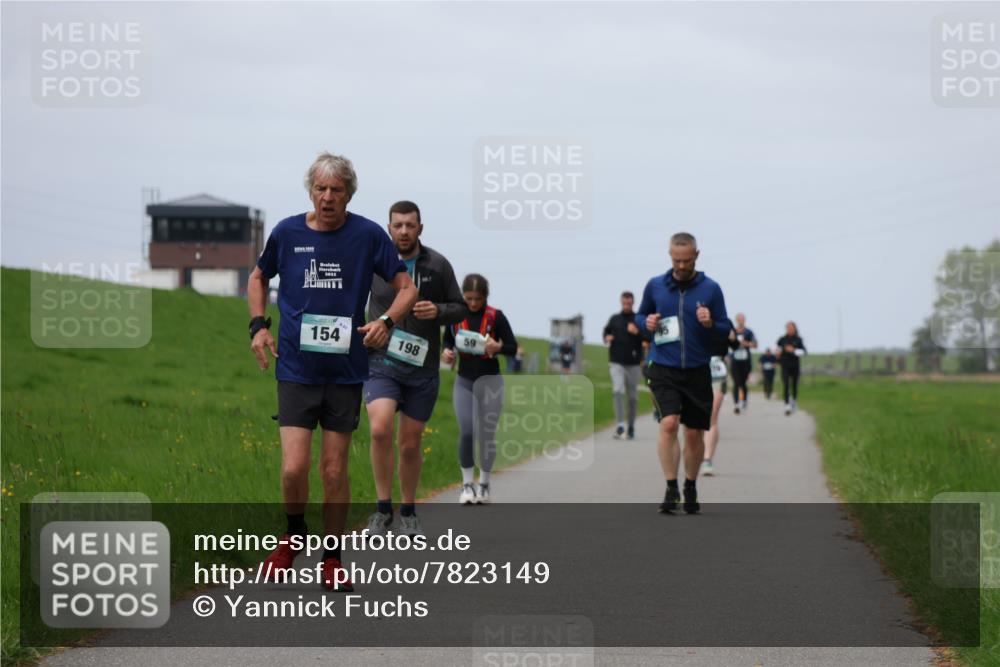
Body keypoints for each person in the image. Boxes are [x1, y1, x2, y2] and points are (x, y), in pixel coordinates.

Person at [248, 152, 417, 591]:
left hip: (345, 371)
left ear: (348, 195)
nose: (327, 198)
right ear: (310, 191)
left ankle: (332, 558)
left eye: (336, 191)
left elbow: (406, 287)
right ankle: (293, 536)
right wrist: (258, 327)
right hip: (296, 369)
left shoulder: (367, 235)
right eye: (320, 189)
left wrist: (386, 322)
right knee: (293, 468)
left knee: (334, 471)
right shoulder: (286, 232)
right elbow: (257, 277)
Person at [363, 200, 467, 538]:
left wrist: (437, 311)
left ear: (420, 228)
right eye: (398, 225)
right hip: (382, 362)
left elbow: (460, 307)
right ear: (389, 228)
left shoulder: (438, 265)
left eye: (410, 225)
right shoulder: (376, 263)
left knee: (409, 443)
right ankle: (382, 510)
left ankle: (407, 511)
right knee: (379, 429)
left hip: (422, 369)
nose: (404, 231)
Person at [637, 232, 732, 514]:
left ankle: (690, 485)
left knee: (693, 433)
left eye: (686, 260)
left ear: (696, 256)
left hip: (696, 368)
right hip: (663, 367)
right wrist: (648, 322)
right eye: (676, 260)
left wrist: (710, 322)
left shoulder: (711, 289)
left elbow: (725, 329)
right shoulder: (655, 286)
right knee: (668, 424)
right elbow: (641, 319)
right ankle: (670, 487)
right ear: (669, 256)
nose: (681, 266)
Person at [442, 274, 518, 504]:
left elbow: (513, 347)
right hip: (464, 381)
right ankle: (467, 485)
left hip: (491, 382)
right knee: (467, 431)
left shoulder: (496, 317)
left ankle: (484, 484)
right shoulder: (456, 315)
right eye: (469, 298)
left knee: (487, 434)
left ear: (485, 297)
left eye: (477, 299)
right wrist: (447, 352)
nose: (473, 303)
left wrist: (499, 346)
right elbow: (448, 340)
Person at [603, 291, 646, 440]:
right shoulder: (615, 319)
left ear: (633, 303)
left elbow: (646, 339)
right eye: (624, 303)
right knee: (618, 390)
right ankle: (620, 425)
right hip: (616, 362)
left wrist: (637, 332)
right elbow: (606, 332)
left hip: (633, 364)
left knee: (632, 398)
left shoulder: (637, 319)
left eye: (629, 303)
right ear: (621, 302)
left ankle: (631, 427)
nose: (626, 305)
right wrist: (606, 337)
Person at [776, 322, 807, 415]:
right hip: (784, 365)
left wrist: (793, 350)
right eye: (788, 328)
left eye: (791, 328)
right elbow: (777, 349)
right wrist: (778, 354)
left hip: (795, 365)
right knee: (786, 384)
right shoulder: (782, 339)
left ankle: (793, 400)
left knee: (794, 385)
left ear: (794, 329)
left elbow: (804, 352)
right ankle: (787, 405)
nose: (789, 329)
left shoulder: (798, 339)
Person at [729, 312, 757, 414]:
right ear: (736, 320)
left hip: (746, 362)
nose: (741, 321)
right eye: (739, 319)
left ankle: (744, 401)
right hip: (735, 362)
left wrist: (744, 343)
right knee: (736, 383)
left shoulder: (749, 332)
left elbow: (755, 345)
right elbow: (727, 345)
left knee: (743, 383)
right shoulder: (732, 332)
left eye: (742, 319)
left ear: (744, 320)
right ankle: (736, 404)